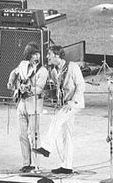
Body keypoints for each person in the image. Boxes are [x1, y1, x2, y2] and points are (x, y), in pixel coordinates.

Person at [33, 45, 85, 175]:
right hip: (65, 104)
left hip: (74, 103)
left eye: (49, 54)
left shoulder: (73, 67)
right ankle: (67, 166)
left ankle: (46, 147)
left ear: (57, 55)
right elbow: (59, 89)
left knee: (56, 120)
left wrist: (73, 102)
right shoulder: (55, 71)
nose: (47, 57)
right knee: (66, 136)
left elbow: (81, 86)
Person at [7, 42, 49, 173]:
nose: (37, 57)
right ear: (29, 55)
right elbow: (14, 73)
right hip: (22, 103)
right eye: (34, 54)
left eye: (38, 54)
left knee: (34, 135)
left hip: (34, 104)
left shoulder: (43, 71)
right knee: (22, 135)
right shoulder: (23, 65)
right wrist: (11, 81)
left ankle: (37, 165)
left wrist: (29, 87)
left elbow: (39, 89)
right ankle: (26, 163)